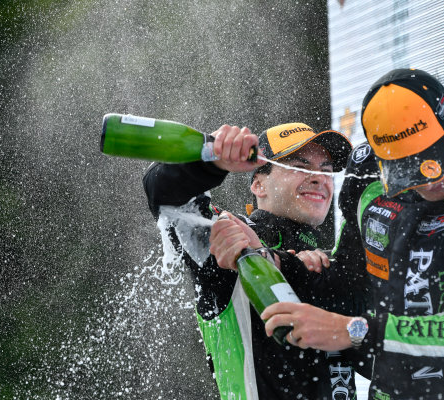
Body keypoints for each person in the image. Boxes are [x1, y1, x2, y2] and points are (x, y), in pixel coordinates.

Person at [261, 68, 444, 399]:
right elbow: (351, 285)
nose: (427, 181)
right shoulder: (366, 174)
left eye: (433, 162)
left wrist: (355, 331)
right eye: (406, 171)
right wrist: (285, 266)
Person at [143, 121, 360, 399]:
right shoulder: (231, 236)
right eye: (300, 166)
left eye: (326, 171)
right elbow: (164, 195)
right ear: (258, 184)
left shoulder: (331, 262)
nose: (318, 178)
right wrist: (211, 159)